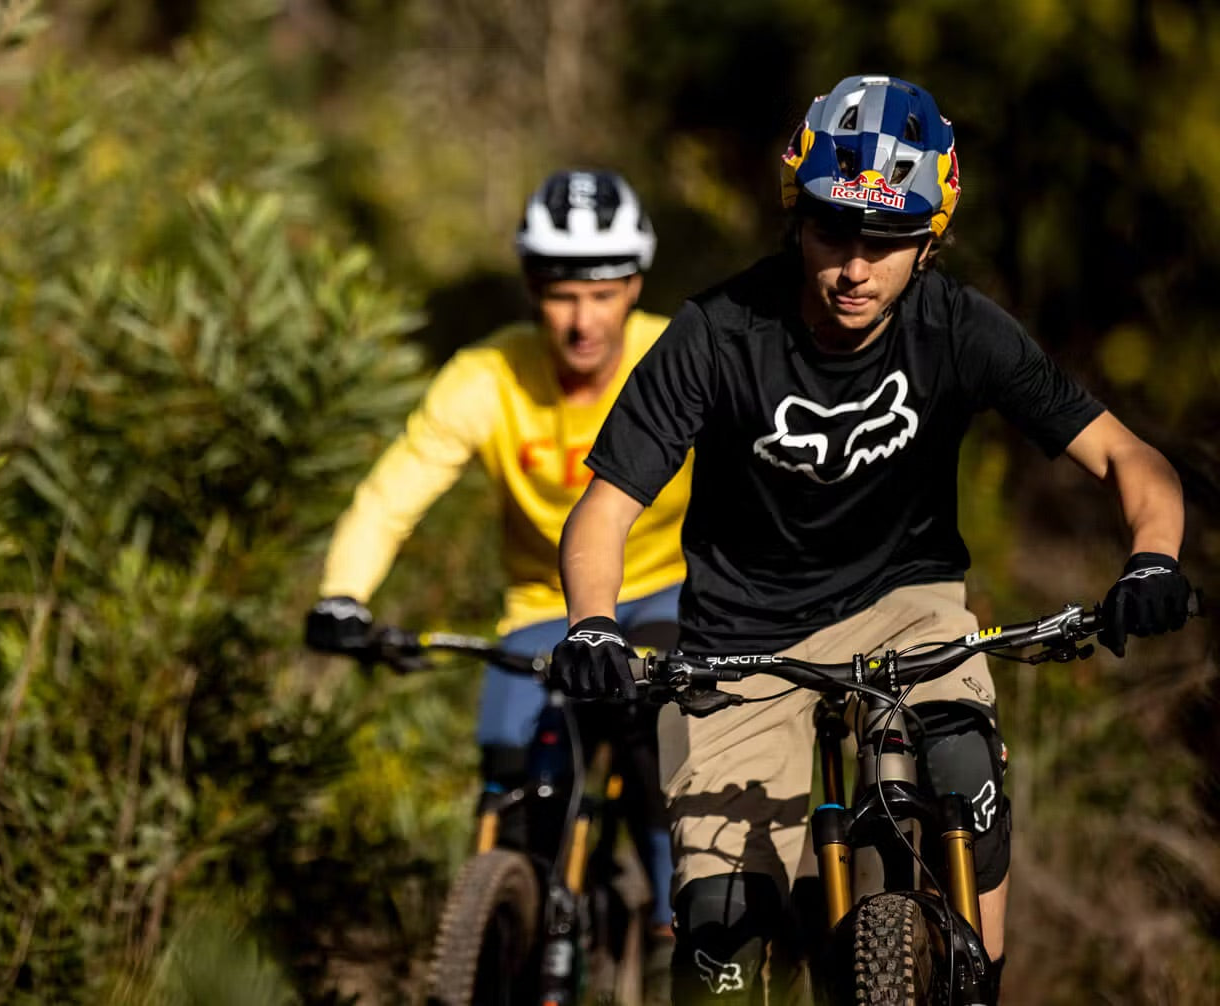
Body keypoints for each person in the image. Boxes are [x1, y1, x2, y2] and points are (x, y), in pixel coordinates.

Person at [547, 75, 1193, 1005]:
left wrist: (1152, 559)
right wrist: (596, 623)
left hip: (907, 604)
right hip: (739, 638)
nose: (855, 268)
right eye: (831, 231)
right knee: (722, 933)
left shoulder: (959, 328)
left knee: (962, 764)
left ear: (932, 237)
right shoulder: (717, 335)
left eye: (888, 241)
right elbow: (605, 510)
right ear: (793, 213)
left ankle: (979, 984)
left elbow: (1133, 461)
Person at [303, 169, 691, 972]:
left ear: (636, 286)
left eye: (604, 292)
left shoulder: (679, 350)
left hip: (664, 585)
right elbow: (392, 493)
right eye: (560, 294)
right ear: (530, 288)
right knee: (510, 769)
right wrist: (343, 595)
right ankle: (510, 934)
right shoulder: (488, 375)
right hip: (541, 606)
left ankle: (677, 926)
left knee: (666, 736)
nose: (582, 321)